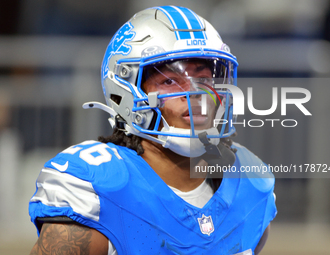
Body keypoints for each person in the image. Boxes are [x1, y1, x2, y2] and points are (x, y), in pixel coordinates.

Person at [29, 5, 277, 255]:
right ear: (126, 91)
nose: (193, 93)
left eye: (204, 78)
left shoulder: (249, 184)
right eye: (169, 81)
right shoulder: (98, 190)